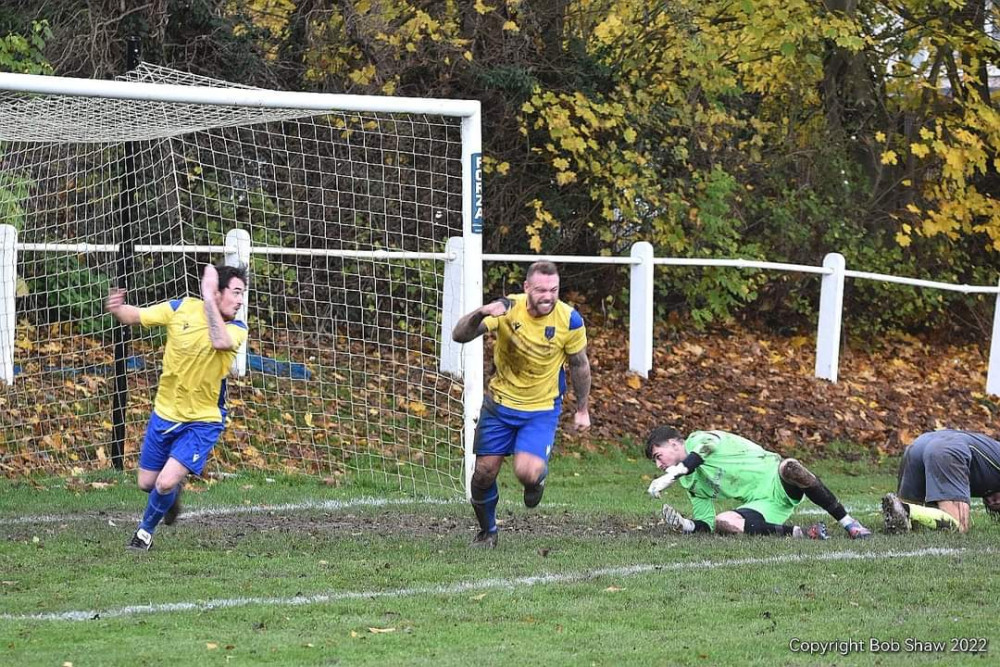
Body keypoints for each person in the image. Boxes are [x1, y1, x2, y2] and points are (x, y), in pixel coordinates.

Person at [106, 263, 248, 550]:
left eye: (242, 293)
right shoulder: (181, 307)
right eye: (235, 292)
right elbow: (136, 316)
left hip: (203, 421)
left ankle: (143, 534)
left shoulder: (236, 328)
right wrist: (117, 307)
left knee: (164, 484)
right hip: (165, 413)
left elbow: (220, 342)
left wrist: (208, 299)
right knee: (148, 483)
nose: (240, 300)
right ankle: (171, 491)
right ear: (218, 291)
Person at [452, 261, 591, 548]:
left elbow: (580, 365)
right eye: (541, 290)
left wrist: (582, 409)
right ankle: (488, 531)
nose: (548, 296)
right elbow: (459, 335)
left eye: (554, 290)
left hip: (540, 410)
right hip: (499, 406)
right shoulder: (507, 309)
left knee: (525, 471)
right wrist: (481, 312)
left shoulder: (570, 320)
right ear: (526, 287)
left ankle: (536, 479)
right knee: (483, 474)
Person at [644, 426, 872, 539]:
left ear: (674, 444)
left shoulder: (699, 439)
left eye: (658, 456)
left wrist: (671, 475)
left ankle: (850, 523)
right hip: (762, 505)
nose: (659, 465)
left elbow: (702, 453)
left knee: (790, 466)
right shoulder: (690, 482)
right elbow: (707, 524)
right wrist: (685, 524)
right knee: (724, 521)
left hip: (778, 480)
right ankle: (802, 533)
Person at [882, 429, 1000, 533]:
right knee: (957, 526)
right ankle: (906, 509)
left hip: (918, 445)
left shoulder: (986, 470)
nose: (995, 502)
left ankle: (901, 509)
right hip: (947, 449)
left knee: (910, 524)